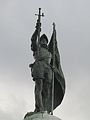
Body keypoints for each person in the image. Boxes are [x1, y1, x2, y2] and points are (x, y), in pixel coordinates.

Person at [29, 27, 52, 113]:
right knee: (39, 88)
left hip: (48, 69)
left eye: (45, 40)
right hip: (39, 67)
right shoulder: (36, 48)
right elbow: (33, 39)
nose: (43, 41)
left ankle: (44, 108)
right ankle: (40, 108)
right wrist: (37, 29)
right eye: (42, 39)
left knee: (46, 91)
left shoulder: (50, 53)